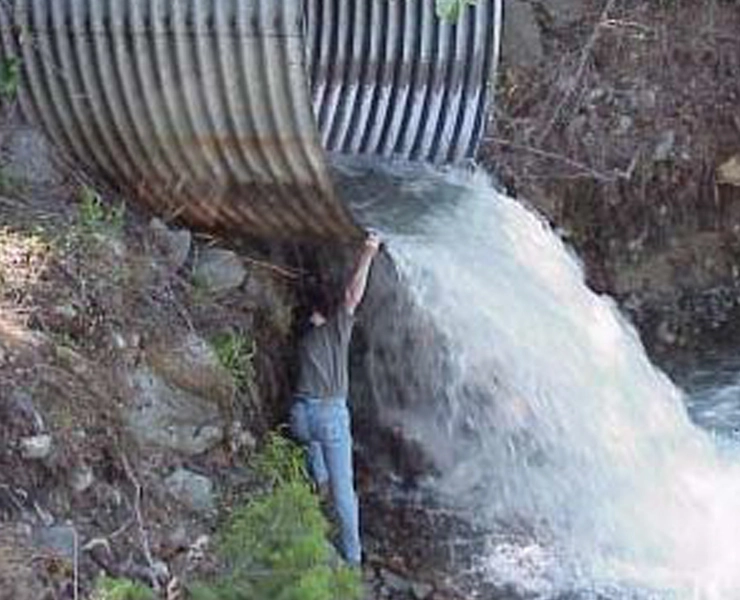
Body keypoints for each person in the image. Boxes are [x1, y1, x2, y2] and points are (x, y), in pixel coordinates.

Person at [290, 232, 381, 565]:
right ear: (328, 312)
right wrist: (369, 252)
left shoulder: (304, 340)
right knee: (347, 493)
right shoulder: (335, 331)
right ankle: (353, 559)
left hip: (300, 416)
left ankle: (320, 478)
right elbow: (353, 294)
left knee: (311, 441)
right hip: (329, 415)